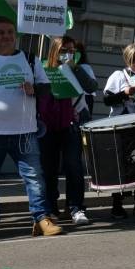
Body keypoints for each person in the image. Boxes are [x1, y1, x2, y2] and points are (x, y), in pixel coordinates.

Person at [0, 16, 62, 239]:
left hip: (25, 131)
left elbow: (46, 89)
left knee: (35, 177)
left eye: (9, 32)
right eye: (0, 32)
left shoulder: (29, 59)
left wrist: (34, 88)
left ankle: (42, 219)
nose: (6, 36)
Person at [38, 36, 97, 225]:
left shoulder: (80, 68)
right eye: (64, 50)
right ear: (55, 51)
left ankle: (76, 207)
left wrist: (74, 67)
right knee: (49, 167)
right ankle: (51, 208)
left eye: (72, 50)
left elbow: (91, 87)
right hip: (49, 124)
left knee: (73, 165)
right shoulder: (44, 67)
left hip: (72, 122)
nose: (68, 54)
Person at [102, 43, 135, 219]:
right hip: (121, 125)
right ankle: (117, 206)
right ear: (128, 59)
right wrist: (126, 93)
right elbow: (107, 99)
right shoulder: (118, 75)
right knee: (120, 165)